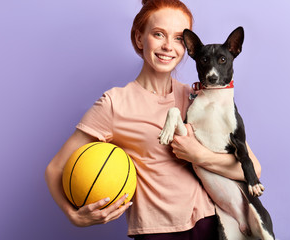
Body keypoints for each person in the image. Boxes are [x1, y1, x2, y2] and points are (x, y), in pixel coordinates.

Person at [45, 0, 262, 239]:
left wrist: (199, 156)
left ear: (187, 46)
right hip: (156, 232)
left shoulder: (197, 98)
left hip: (212, 225)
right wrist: (74, 217)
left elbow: (253, 168)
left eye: (179, 38)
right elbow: (55, 168)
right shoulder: (115, 103)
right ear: (140, 39)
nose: (168, 46)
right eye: (159, 34)